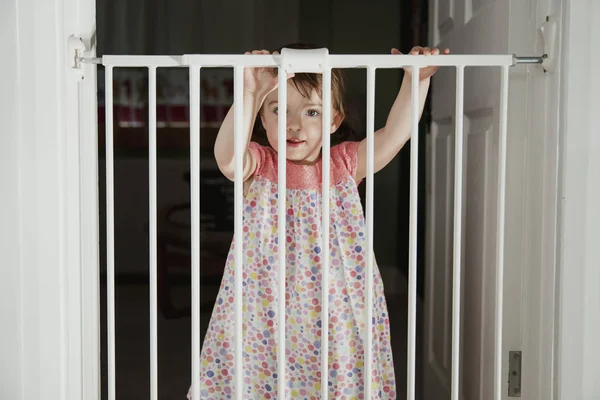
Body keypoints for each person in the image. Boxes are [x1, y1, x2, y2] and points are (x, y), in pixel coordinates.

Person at [188, 43, 449, 399]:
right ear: (262, 120)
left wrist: (415, 81)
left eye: (312, 112)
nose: (295, 125)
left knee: (334, 370)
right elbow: (227, 159)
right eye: (280, 111)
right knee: (262, 371)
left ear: (334, 121)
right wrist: (251, 92)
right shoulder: (260, 164)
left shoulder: (344, 164)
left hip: (334, 299)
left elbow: (394, 135)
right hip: (264, 301)